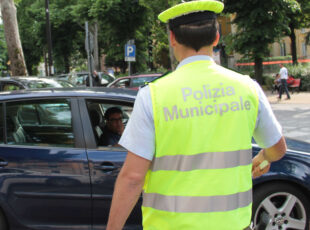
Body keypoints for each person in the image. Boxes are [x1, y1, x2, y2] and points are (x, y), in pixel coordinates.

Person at [106, 1, 287, 230]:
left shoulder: (153, 96)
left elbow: (132, 178)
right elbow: (278, 149)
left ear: (172, 38)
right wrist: (263, 159)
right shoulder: (247, 88)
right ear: (216, 37)